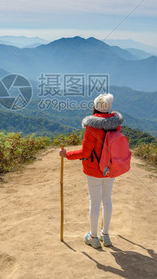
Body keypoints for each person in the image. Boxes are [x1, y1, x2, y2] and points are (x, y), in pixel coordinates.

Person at [59, 93, 123, 249]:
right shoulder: (116, 124)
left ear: (95, 107)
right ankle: (105, 235)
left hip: (94, 170)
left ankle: (93, 237)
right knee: (106, 200)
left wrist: (66, 154)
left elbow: (85, 153)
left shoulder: (92, 127)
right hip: (110, 168)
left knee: (94, 202)